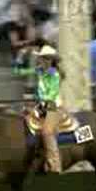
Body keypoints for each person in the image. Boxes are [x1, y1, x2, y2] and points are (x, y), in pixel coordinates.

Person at [33, 45, 64, 174]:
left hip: (52, 106)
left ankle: (55, 165)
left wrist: (42, 102)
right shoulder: (39, 72)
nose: (44, 61)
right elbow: (19, 71)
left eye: (47, 59)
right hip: (41, 105)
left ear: (52, 61)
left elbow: (52, 94)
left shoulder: (55, 74)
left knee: (47, 132)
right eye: (42, 58)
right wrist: (20, 57)